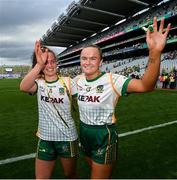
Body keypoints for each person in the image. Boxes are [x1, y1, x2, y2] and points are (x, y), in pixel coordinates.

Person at [75, 17, 171, 179]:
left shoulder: (113, 80)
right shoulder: (77, 80)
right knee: (93, 169)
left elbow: (145, 86)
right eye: (84, 58)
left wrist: (155, 52)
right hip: (83, 131)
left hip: (103, 134)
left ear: (101, 61)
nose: (87, 62)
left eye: (93, 58)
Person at [20, 41, 79, 179]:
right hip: (45, 139)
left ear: (57, 62)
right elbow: (23, 87)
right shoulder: (39, 83)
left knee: (70, 175)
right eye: (46, 62)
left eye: (53, 61)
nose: (50, 65)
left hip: (67, 138)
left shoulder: (68, 82)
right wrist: (39, 65)